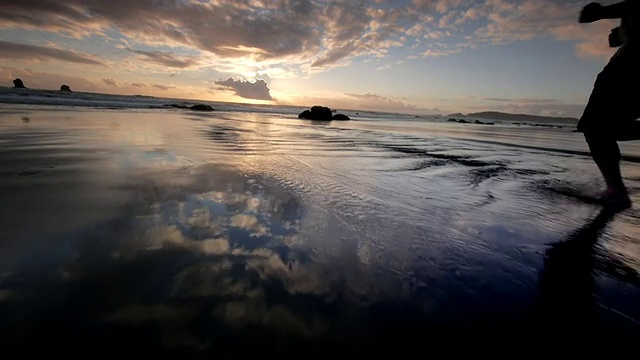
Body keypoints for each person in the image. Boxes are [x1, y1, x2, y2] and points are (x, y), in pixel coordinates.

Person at [578, 1, 640, 209]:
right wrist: (623, 33)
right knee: (608, 127)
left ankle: (616, 191)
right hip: (627, 65)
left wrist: (602, 12)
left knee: (596, 127)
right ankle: (615, 190)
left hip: (627, 68)